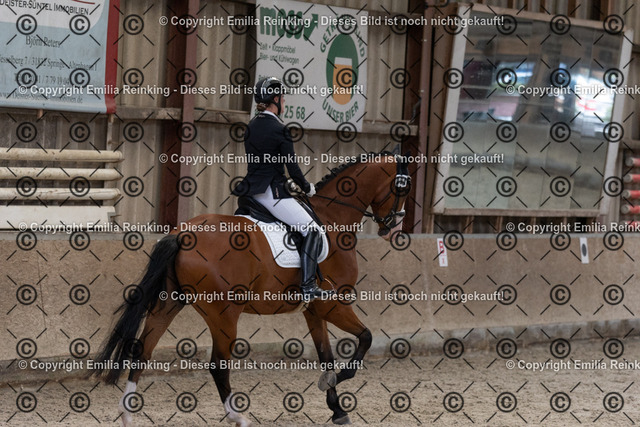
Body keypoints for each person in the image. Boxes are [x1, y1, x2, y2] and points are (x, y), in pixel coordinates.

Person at [232, 77, 330, 302]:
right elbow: (292, 167)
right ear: (275, 99)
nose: (284, 101)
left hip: (250, 193)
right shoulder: (280, 129)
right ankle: (308, 286)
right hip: (272, 193)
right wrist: (307, 187)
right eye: (283, 98)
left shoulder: (251, 126)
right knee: (312, 230)